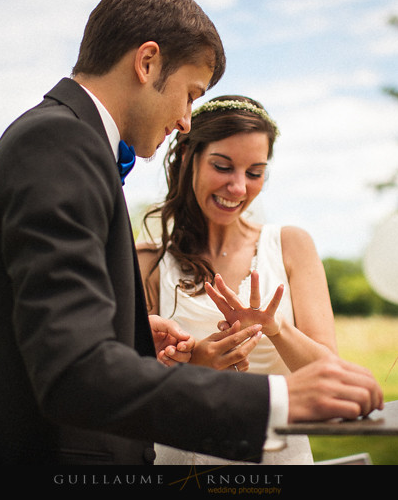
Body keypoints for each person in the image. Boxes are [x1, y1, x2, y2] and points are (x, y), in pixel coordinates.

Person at [0, 0, 383, 465]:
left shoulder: (59, 138)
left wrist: (129, 337)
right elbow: (74, 372)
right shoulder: (62, 144)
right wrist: (278, 401)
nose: (186, 120)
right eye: (190, 93)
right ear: (147, 62)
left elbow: (49, 336)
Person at [137, 95, 343, 465]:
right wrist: (194, 365)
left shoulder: (291, 246)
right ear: (187, 156)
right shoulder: (147, 261)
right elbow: (129, 391)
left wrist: (277, 328)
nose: (238, 188)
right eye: (223, 166)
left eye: (254, 172)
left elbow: (330, 374)